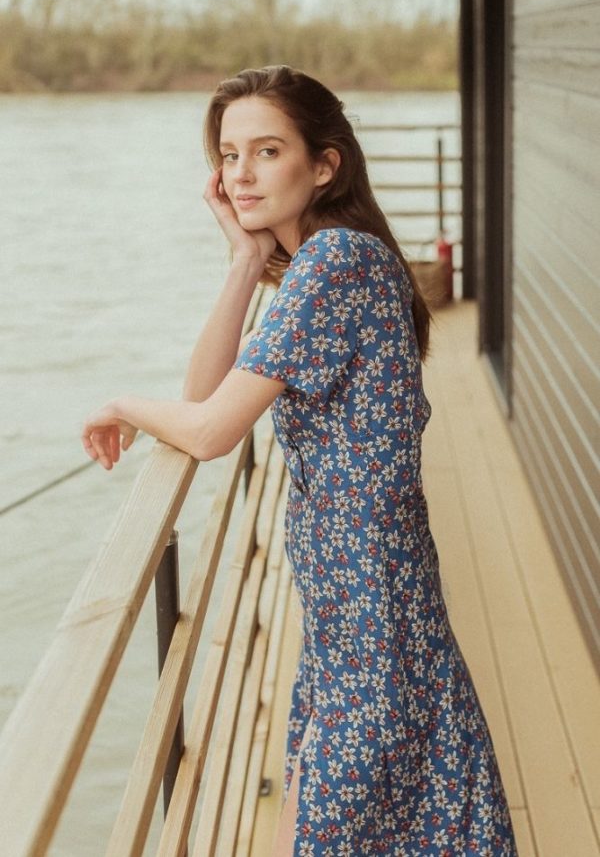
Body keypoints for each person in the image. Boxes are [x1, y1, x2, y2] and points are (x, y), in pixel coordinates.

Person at [81, 65, 518, 856]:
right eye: (228, 154)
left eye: (267, 150)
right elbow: (205, 393)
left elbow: (208, 428)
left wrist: (120, 406)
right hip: (357, 616)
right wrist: (244, 261)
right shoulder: (323, 267)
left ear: (324, 164)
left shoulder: (336, 265)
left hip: (373, 632)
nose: (240, 173)